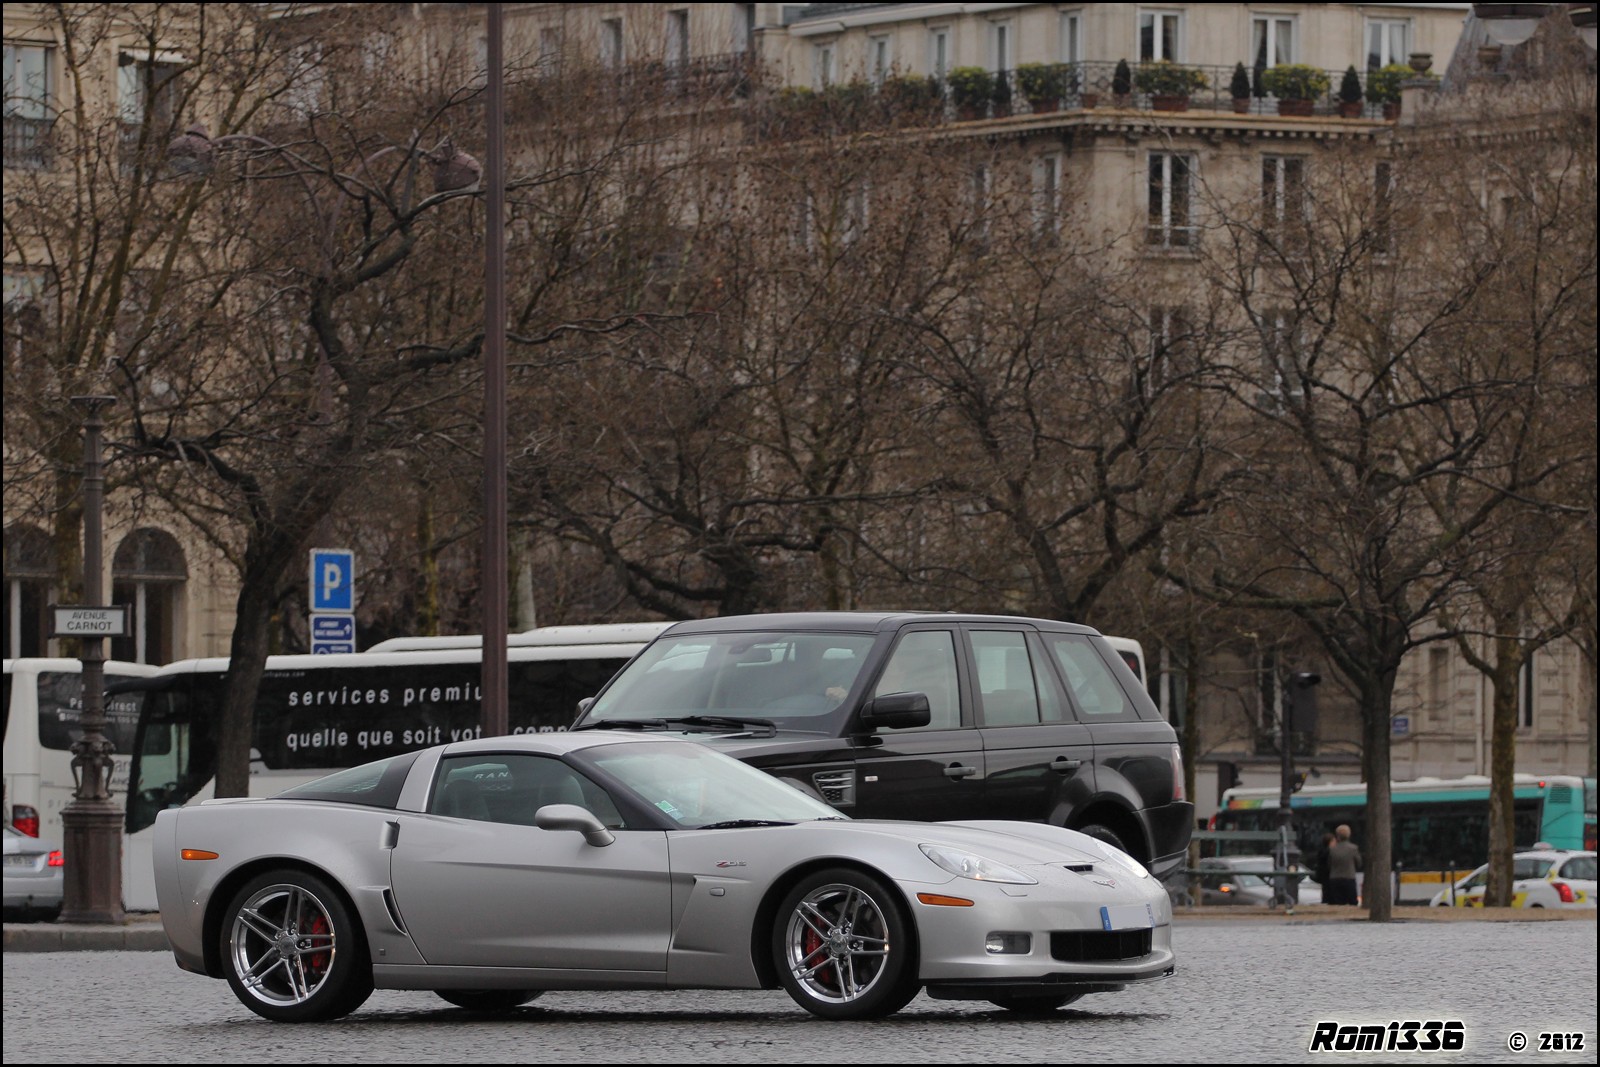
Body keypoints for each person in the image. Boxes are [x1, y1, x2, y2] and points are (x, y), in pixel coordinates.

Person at [1326, 824, 1362, 905]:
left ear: (1337, 835)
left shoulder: (1332, 849)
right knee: (1352, 902)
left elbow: (1329, 864)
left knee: (1337, 903)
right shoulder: (1353, 848)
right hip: (1349, 878)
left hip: (1335, 878)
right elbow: (1359, 863)